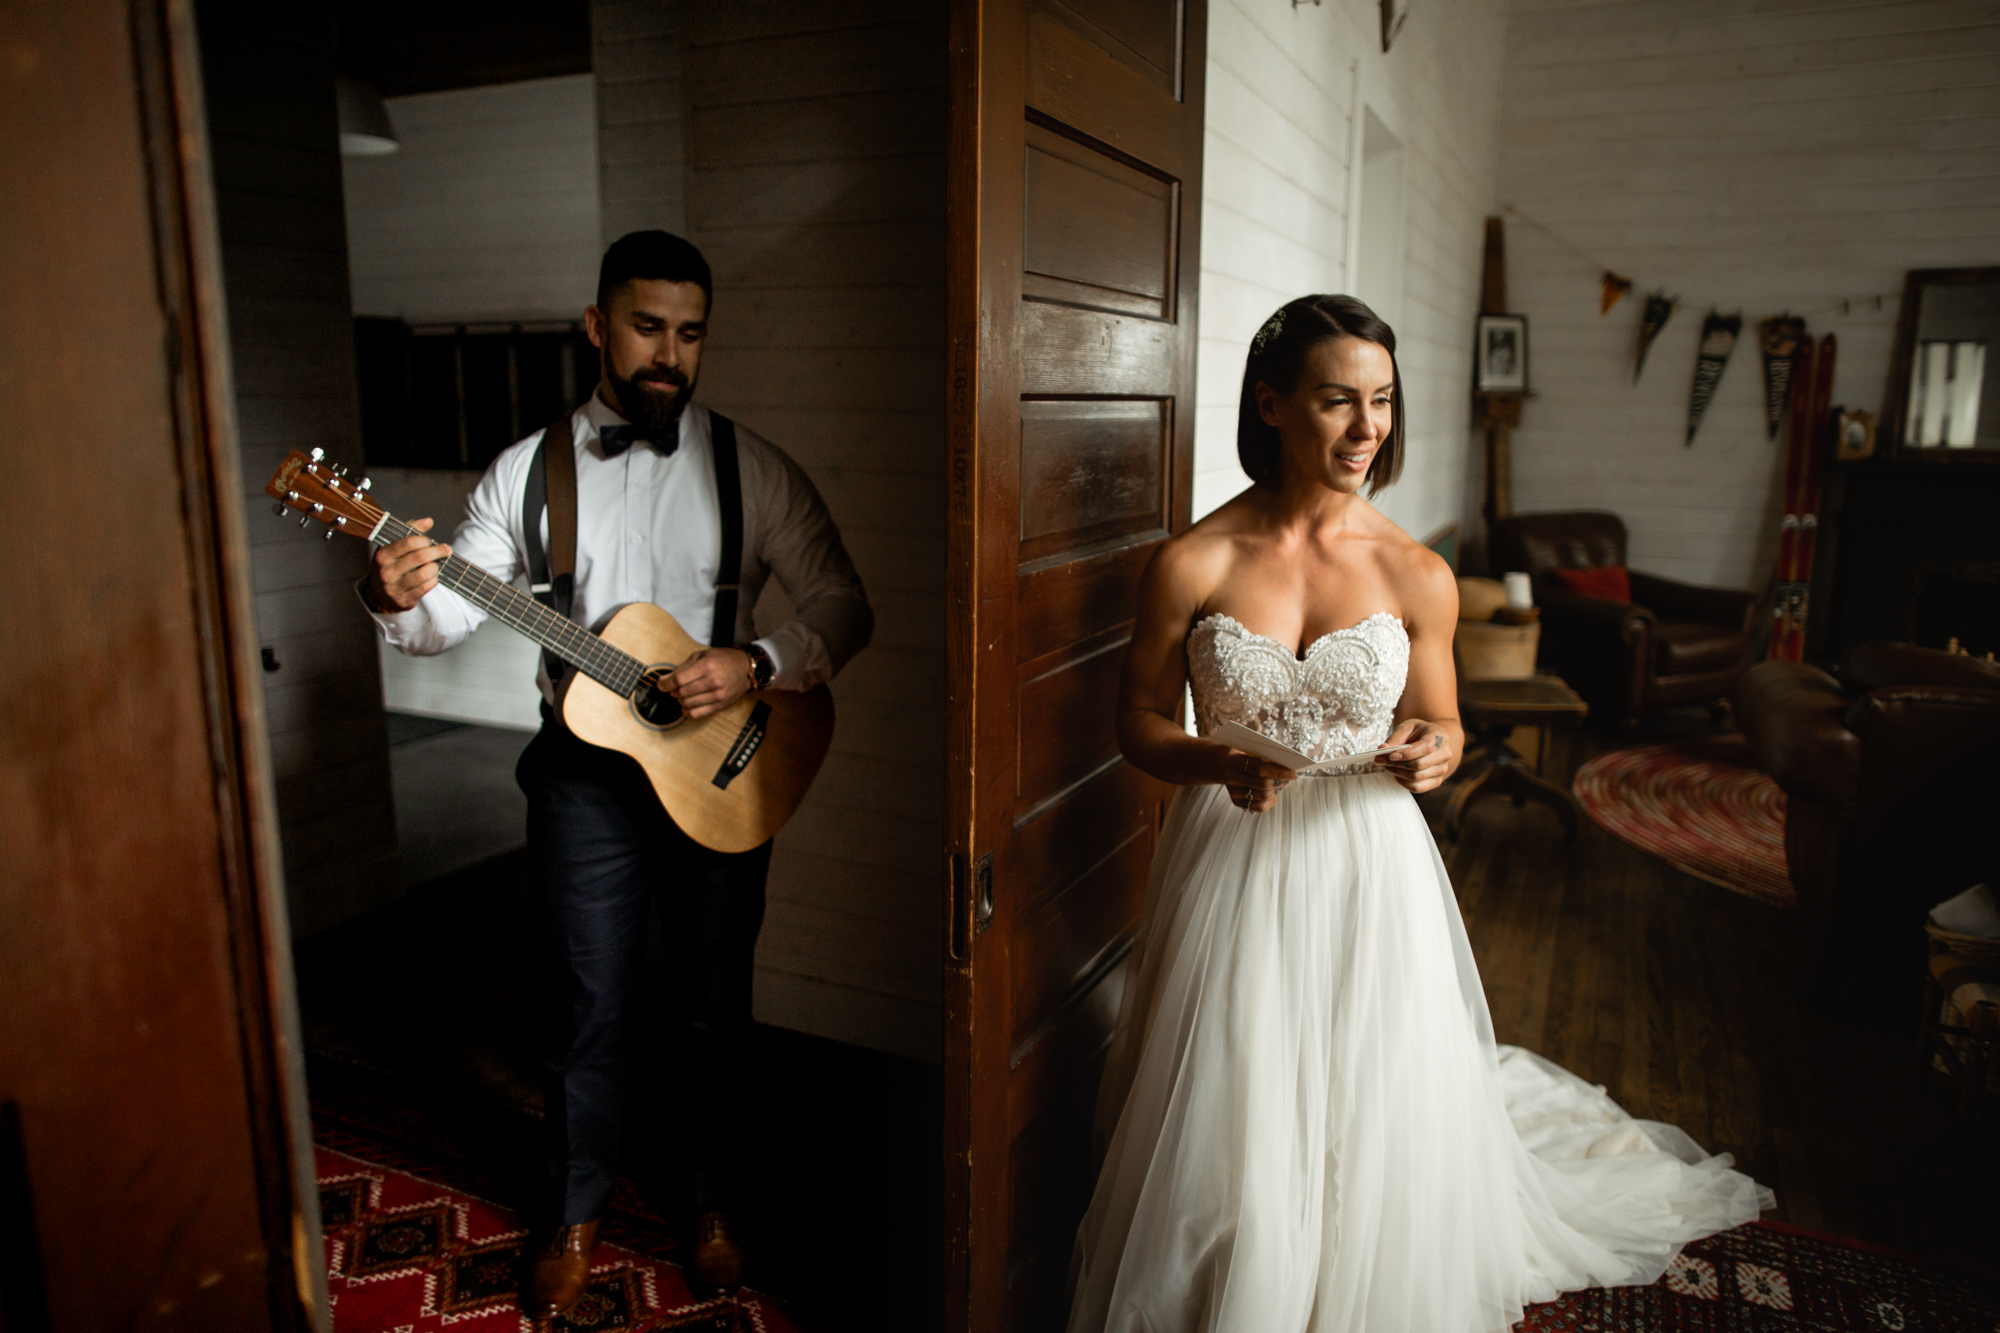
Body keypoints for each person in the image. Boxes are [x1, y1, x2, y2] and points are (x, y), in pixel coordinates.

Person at [1065, 296, 1770, 1333]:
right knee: (1237, 1092)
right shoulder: (1191, 561)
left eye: (1383, 402)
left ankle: (1358, 1265)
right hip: (1233, 857)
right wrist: (1212, 757)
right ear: (1269, 403)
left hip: (1366, 857)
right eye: (1336, 400)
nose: (1366, 429)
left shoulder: (1416, 571)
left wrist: (1434, 749)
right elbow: (1131, 720)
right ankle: (1238, 1270)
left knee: (1364, 1086)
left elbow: (1436, 720)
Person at [361, 231, 873, 1319]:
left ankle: (712, 1203)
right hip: (578, 781)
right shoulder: (524, 471)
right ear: (597, 325)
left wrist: (756, 660)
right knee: (583, 1002)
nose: (668, 356)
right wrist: (399, 592)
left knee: (711, 1009)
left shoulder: (751, 465)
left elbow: (840, 601)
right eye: (647, 327)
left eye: (689, 334)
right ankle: (575, 1209)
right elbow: (451, 612)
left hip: (724, 770)